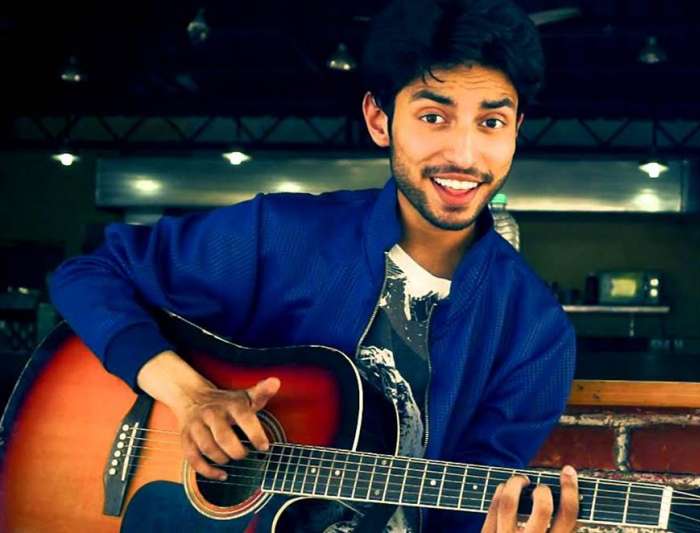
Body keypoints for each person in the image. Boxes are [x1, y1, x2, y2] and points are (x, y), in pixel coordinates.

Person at [49, 0, 579, 530]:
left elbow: (466, 512)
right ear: (379, 119)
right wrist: (189, 396)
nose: (464, 154)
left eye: (491, 122)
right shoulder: (282, 234)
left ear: (516, 131)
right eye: (433, 117)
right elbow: (90, 275)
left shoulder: (536, 333)